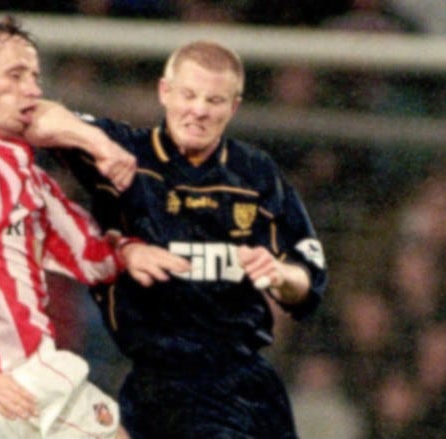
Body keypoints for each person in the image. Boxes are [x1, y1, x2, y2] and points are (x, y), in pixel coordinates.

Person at [0, 16, 187, 439]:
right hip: (7, 378)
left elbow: (87, 255)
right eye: (15, 75)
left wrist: (126, 252)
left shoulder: (21, 175)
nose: (32, 89)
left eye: (34, 76)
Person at [35, 40, 328, 438]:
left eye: (214, 100)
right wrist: (98, 144)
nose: (200, 110)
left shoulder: (256, 174)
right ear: (165, 92)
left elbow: (308, 281)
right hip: (164, 385)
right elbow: (35, 116)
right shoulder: (126, 154)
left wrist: (280, 274)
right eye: (189, 95)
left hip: (250, 383)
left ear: (233, 107)